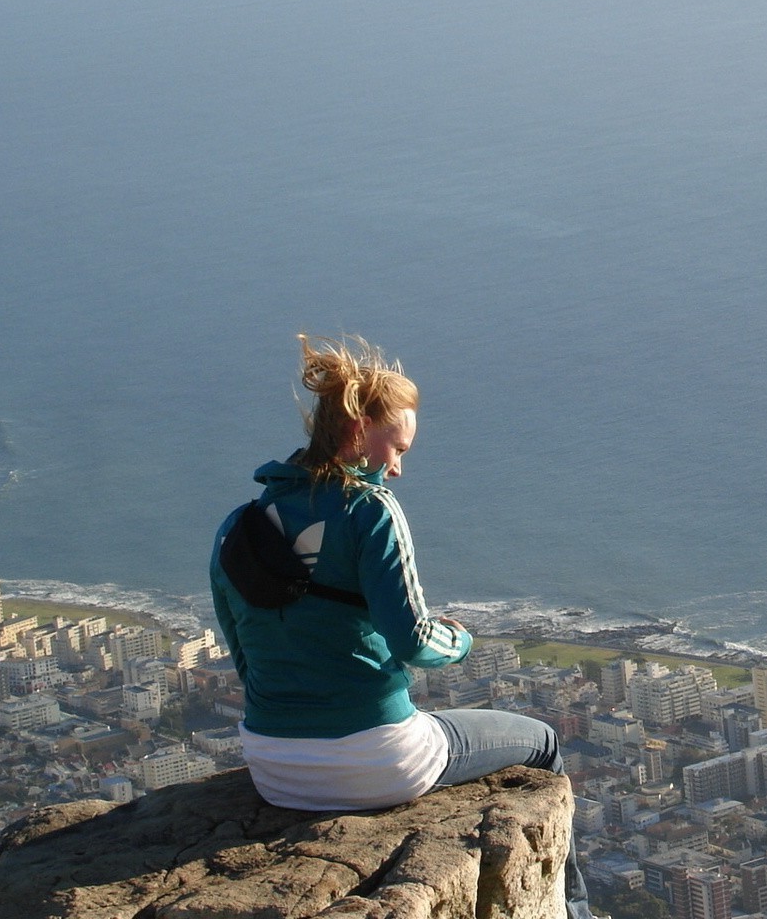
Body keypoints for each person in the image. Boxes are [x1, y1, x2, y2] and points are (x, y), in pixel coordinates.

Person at [209, 334, 589, 918]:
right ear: (359, 430)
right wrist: (459, 640)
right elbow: (412, 638)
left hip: (272, 766)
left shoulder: (239, 525)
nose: (398, 467)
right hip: (374, 759)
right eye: (396, 447)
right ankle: (578, 913)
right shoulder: (369, 510)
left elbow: (241, 652)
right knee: (541, 742)